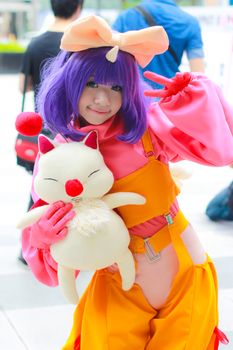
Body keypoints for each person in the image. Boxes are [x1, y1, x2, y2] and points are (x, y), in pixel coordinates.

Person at [21, 15, 233, 349]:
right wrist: (45, 235)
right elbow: (50, 262)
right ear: (71, 83)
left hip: (184, 273)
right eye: (91, 83)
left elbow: (221, 151)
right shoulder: (60, 153)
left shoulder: (148, 130)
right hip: (117, 281)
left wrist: (193, 97)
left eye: (116, 87)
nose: (102, 100)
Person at [17, 0, 83, 264]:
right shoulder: (79, 45)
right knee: (77, 188)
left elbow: (23, 87)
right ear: (78, 7)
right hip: (72, 131)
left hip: (41, 131)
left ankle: (32, 248)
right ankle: (75, 245)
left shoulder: (34, 44)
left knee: (40, 188)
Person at [112, 0, 205, 88]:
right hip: (170, 96)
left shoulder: (126, 17)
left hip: (134, 95)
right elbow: (198, 74)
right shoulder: (190, 23)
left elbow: (109, 59)